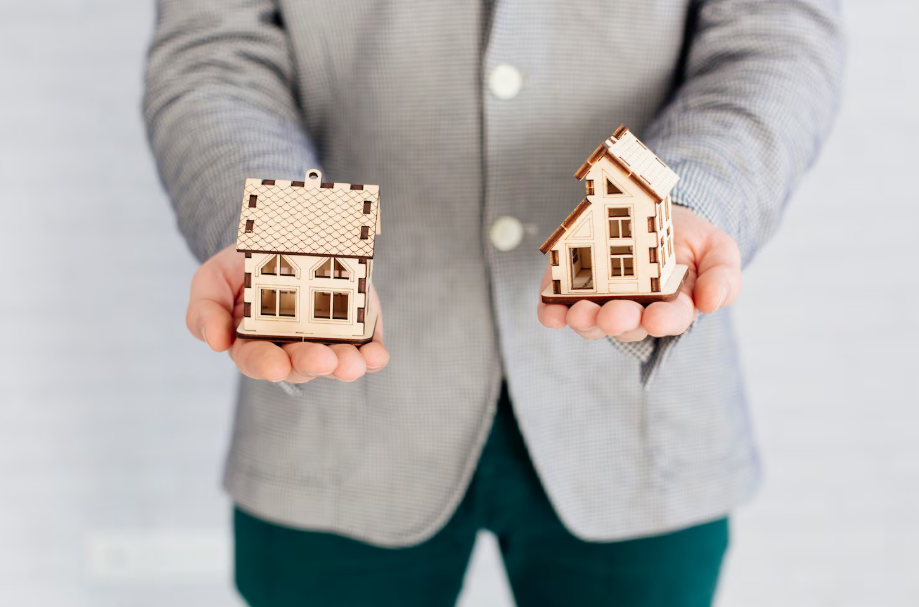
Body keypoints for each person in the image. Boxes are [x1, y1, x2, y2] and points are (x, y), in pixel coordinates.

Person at [144, 0, 843, 605]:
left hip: (638, 414)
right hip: (331, 403)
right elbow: (216, 51)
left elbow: (773, 34)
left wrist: (683, 196)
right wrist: (284, 241)